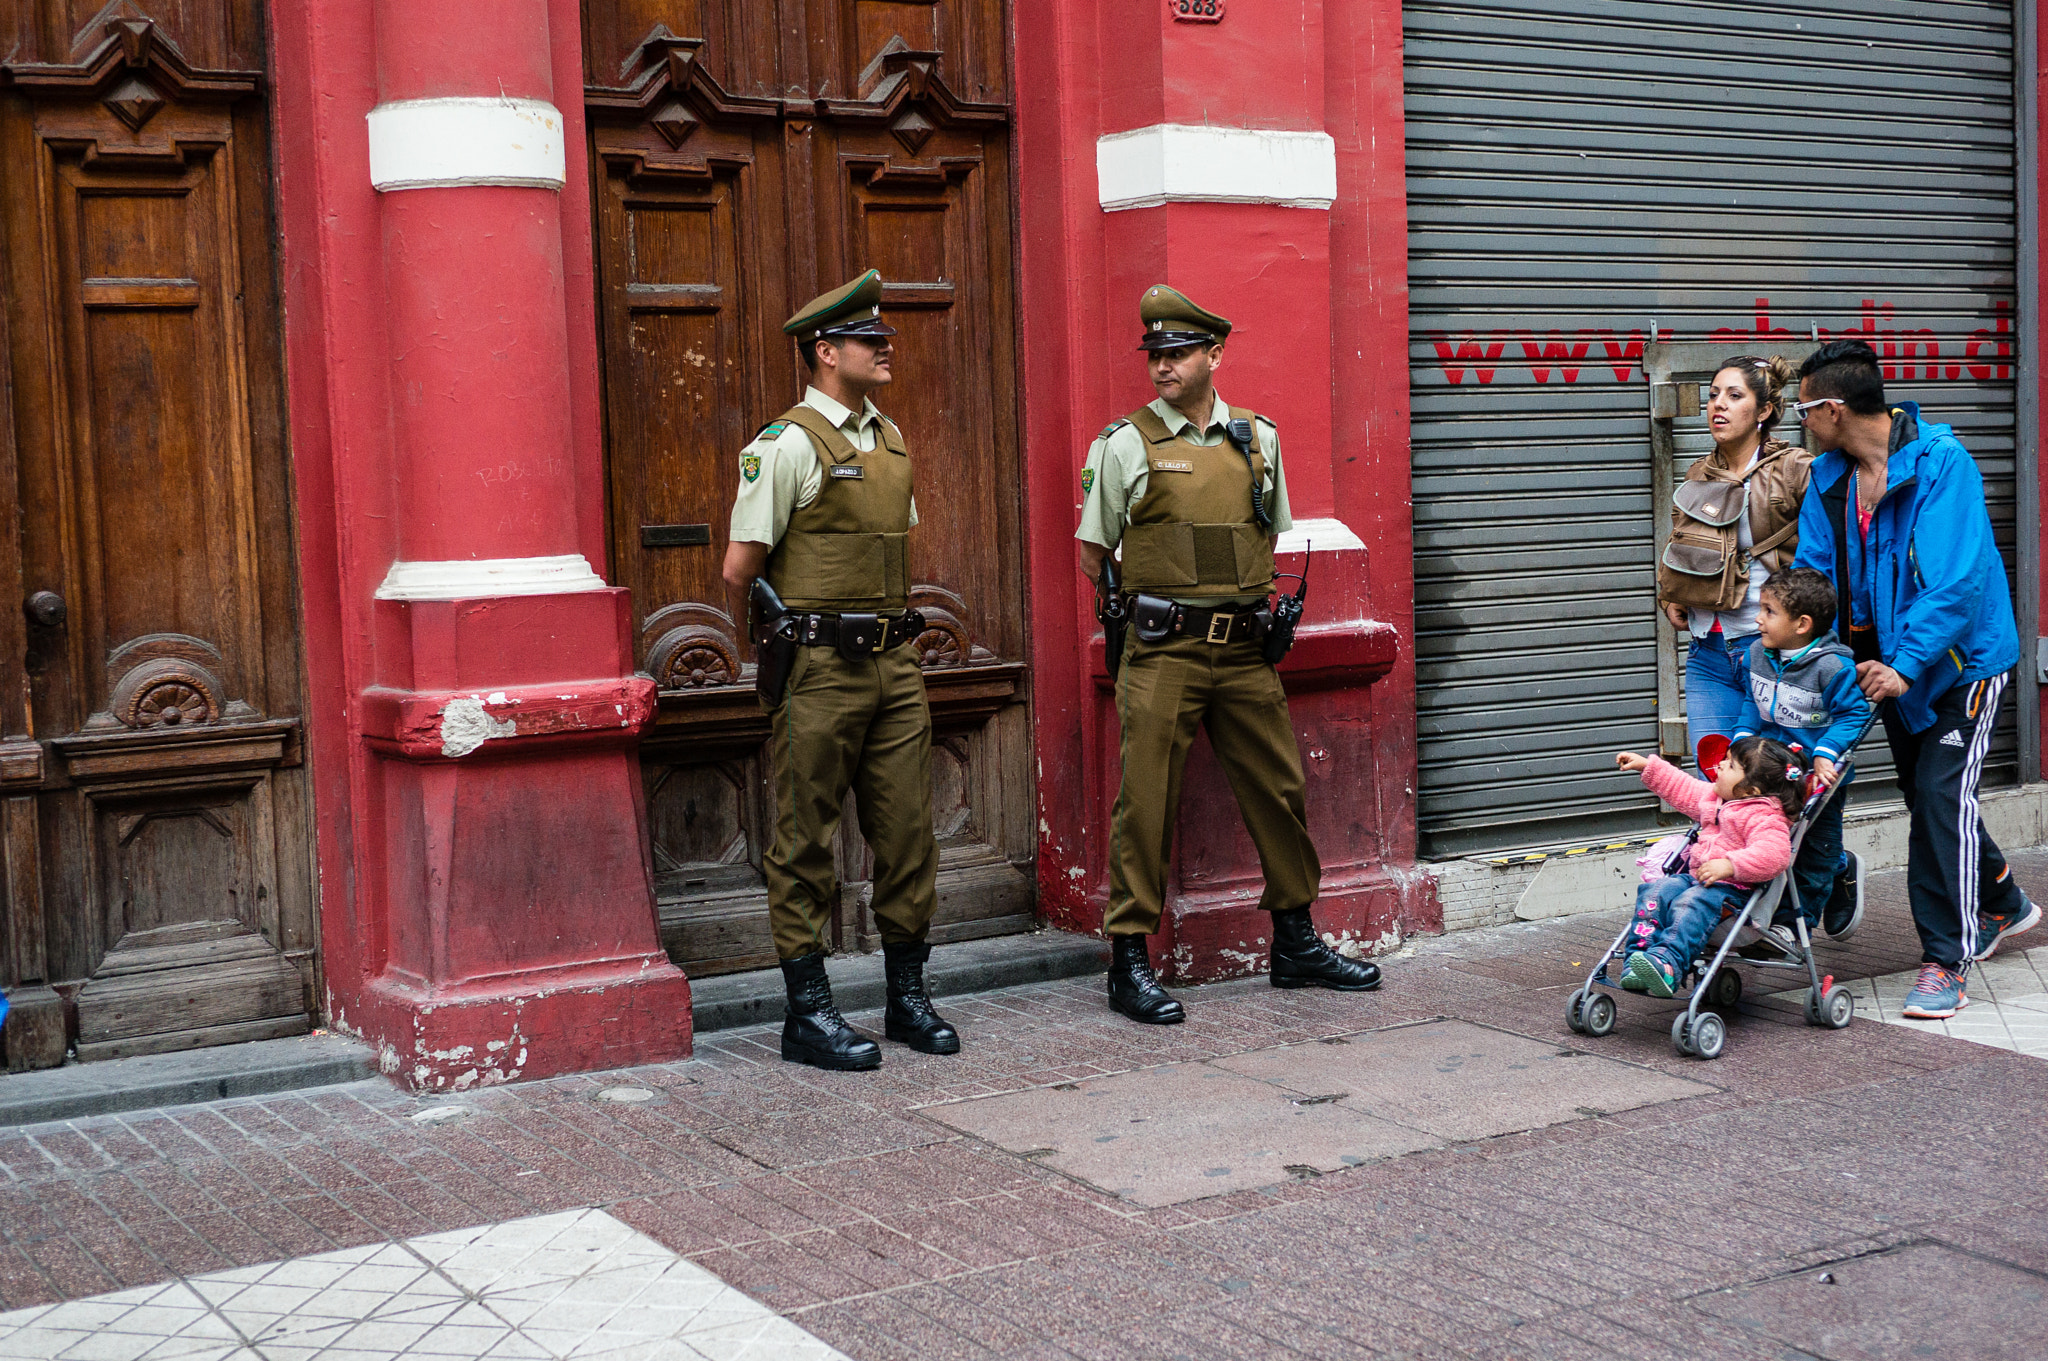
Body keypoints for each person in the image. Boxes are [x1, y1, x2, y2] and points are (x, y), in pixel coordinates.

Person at [1074, 284, 1380, 1025]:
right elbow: (1093, 550)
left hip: (1242, 652)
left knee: (1279, 790)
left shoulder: (1257, 437)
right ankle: (1130, 961)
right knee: (1144, 803)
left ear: (1215, 354)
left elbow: (1269, 532)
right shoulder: (1124, 443)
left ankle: (1296, 941)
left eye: (1178, 353)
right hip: (1164, 651)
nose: (1163, 367)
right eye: (1156, 355)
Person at [720, 270, 957, 1070]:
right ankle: (809, 1012)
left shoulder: (889, 440)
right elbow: (740, 565)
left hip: (895, 662)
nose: (884, 349)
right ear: (826, 352)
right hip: (820, 665)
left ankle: (906, 997)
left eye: (882, 338)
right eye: (869, 340)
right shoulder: (786, 446)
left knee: (908, 834)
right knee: (804, 839)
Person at [1788, 338, 2037, 1020]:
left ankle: (1946, 958)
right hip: (1884, 668)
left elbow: (1955, 586)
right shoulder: (1829, 480)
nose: (1799, 419)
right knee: (1931, 797)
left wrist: (1903, 666)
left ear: (1834, 408)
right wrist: (1802, 649)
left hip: (1960, 667)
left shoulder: (1941, 464)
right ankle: (2005, 901)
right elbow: (1817, 574)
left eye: (1804, 407)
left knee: (1936, 795)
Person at [1657, 356, 1811, 763]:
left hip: (1770, 650)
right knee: (1715, 779)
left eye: (1733, 395)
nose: (1717, 405)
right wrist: (1672, 595)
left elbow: (1826, 555)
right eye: (1712, 396)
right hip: (1707, 652)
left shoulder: (1795, 469)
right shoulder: (1697, 475)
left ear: (1763, 411)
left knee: (1777, 783)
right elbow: (1681, 550)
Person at [1730, 567, 1872, 942]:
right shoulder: (1756, 654)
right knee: (1773, 843)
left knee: (1814, 851)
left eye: (1768, 611)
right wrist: (1741, 745)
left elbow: (1854, 714)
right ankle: (1838, 866)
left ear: (1802, 624)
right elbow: (1753, 702)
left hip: (1815, 779)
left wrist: (1826, 752)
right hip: (1771, 772)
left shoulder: (1832, 667)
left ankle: (1795, 925)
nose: (1757, 619)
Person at [1613, 736, 1801, 998]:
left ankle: (1668, 964)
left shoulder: (1766, 817)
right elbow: (1683, 787)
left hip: (1733, 895)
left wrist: (1731, 864)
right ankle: (1639, 959)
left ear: (1751, 790)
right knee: (1656, 890)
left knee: (1691, 902)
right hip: (1697, 879)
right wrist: (1647, 766)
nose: (1721, 766)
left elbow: (1774, 855)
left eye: (1731, 765)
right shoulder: (1716, 798)